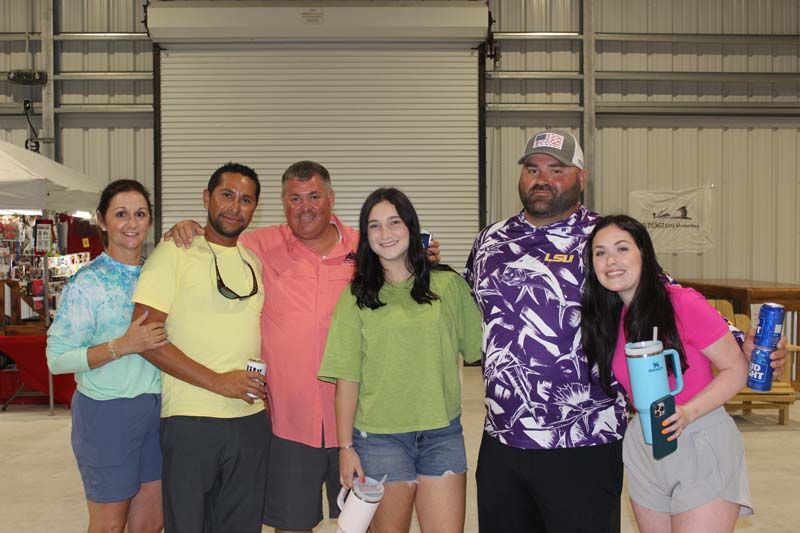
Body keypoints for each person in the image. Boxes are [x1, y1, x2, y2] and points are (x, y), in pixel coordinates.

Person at [464, 130, 787, 533]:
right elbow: (464, 310)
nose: (542, 178)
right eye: (532, 169)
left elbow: (664, 300)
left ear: (581, 177)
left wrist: (745, 347)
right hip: (503, 440)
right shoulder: (490, 241)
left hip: (585, 439)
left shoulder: (606, 240)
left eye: (556, 169)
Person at [164, 161, 440, 533]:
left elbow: (407, 269)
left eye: (313, 196)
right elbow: (219, 234)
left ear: (331, 198)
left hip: (361, 421)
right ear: (282, 203)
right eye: (295, 198)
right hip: (288, 424)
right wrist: (189, 227)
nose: (305, 206)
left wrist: (423, 257)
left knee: (371, 525)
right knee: (291, 525)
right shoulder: (257, 245)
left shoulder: (367, 249)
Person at [318, 187, 482, 533]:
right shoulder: (356, 297)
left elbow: (480, 350)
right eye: (374, 226)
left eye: (394, 222)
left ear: (411, 226)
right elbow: (347, 381)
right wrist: (345, 448)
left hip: (442, 435)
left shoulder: (448, 286)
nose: (385, 233)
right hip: (379, 440)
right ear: (366, 237)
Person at [582, 214, 753, 532]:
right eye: (600, 253)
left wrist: (687, 412)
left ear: (643, 255)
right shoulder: (612, 319)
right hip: (645, 445)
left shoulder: (682, 302)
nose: (611, 261)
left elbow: (735, 370)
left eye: (622, 249)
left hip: (699, 437)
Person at [131, 162, 269, 533]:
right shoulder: (174, 253)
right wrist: (218, 382)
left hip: (249, 421)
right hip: (190, 422)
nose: (234, 207)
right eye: (226, 195)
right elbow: (143, 339)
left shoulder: (253, 262)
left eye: (246, 200)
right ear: (207, 198)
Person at [47, 179, 168, 533]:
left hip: (158, 411)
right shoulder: (87, 283)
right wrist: (124, 345)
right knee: (109, 526)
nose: (131, 223)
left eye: (140, 214)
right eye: (121, 214)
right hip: (107, 414)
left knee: (151, 524)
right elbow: (57, 359)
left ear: (149, 220)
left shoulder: (158, 274)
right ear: (102, 220)